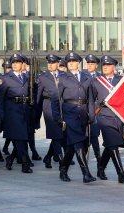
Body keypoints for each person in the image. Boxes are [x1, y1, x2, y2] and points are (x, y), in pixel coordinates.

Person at [51, 52, 96, 183]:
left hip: (83, 114)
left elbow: (91, 99)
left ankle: (63, 170)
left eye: (73, 61)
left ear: (78, 63)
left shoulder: (86, 77)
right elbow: (55, 99)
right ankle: (86, 173)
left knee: (72, 145)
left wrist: (91, 114)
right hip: (69, 113)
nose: (71, 63)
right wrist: (57, 117)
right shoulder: (63, 78)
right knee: (78, 141)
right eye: (68, 61)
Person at [91, 55, 124, 183]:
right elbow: (92, 100)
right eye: (104, 65)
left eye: (108, 65)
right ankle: (121, 173)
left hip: (118, 116)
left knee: (110, 144)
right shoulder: (97, 81)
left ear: (114, 66)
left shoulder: (121, 80)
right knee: (113, 144)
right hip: (104, 116)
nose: (105, 67)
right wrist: (95, 110)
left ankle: (101, 168)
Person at [0, 54, 34, 173]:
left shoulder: (26, 77)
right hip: (12, 111)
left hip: (24, 110)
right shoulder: (6, 78)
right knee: (21, 138)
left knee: (22, 137)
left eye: (18, 62)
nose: (15, 64)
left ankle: (10, 159)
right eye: (13, 63)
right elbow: (1, 98)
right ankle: (25, 164)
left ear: (22, 64)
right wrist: (0, 114)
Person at [37, 54, 65, 169]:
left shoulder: (64, 76)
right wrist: (35, 114)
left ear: (58, 64)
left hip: (62, 106)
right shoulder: (43, 77)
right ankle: (62, 162)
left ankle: (48, 157)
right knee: (57, 133)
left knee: (58, 134)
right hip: (48, 107)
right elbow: (38, 96)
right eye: (49, 63)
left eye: (52, 63)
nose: (50, 65)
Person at [84, 54, 101, 171]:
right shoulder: (82, 76)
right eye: (88, 63)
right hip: (84, 110)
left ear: (96, 65)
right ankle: (83, 158)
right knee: (85, 136)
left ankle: (99, 159)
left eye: (92, 64)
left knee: (94, 135)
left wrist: (97, 109)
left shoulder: (100, 77)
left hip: (97, 110)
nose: (90, 66)